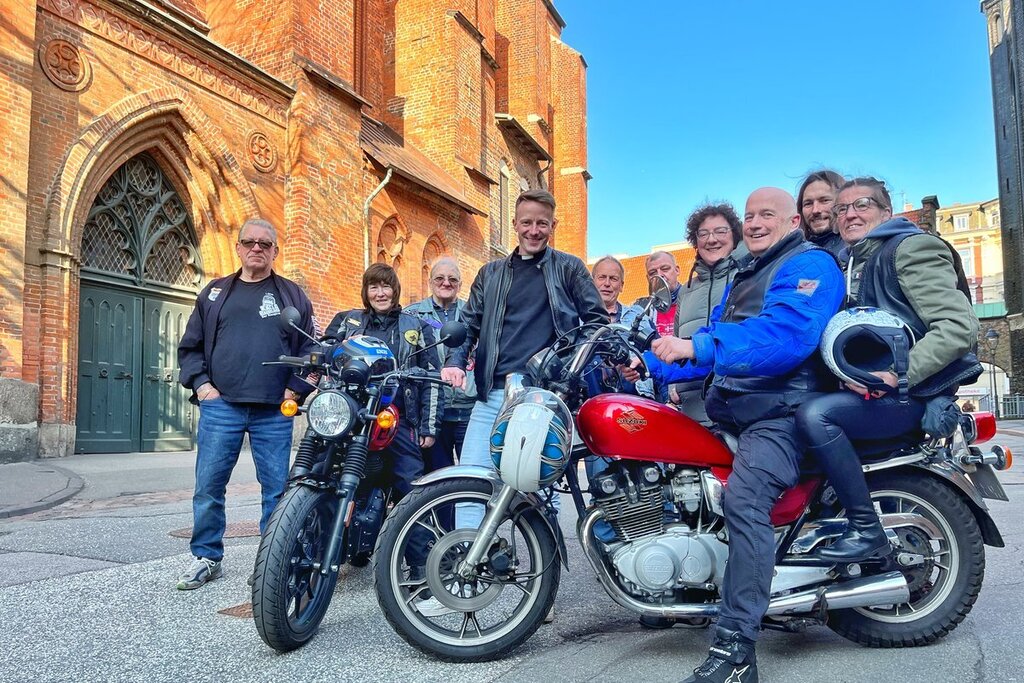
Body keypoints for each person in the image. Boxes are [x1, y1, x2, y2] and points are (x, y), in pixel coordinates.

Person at [646, 188, 845, 682]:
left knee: (744, 501)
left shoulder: (808, 265)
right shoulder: (751, 274)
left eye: (766, 216)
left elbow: (785, 337)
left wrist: (696, 344)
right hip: (741, 410)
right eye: (751, 215)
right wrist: (645, 361)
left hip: (780, 415)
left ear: (793, 220)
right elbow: (710, 353)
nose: (755, 223)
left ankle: (736, 651)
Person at [794, 177, 980, 563]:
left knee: (817, 417)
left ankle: (866, 529)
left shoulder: (908, 248)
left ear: (886, 212)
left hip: (911, 393)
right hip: (876, 388)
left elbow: (957, 327)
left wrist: (899, 373)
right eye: (841, 209)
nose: (849, 214)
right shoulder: (854, 260)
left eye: (861, 205)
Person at [443, 188, 607, 531]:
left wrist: (559, 361)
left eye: (542, 224)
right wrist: (456, 360)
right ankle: (464, 571)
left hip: (542, 397)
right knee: (469, 485)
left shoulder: (569, 268)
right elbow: (470, 323)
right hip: (492, 396)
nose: (534, 230)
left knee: (536, 493)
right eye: (528, 222)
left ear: (553, 226)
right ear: (514, 224)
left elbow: (596, 323)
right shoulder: (490, 274)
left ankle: (540, 571)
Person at [176, 218, 316, 590]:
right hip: (222, 407)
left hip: (274, 410)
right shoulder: (214, 293)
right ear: (238, 248)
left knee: (276, 491)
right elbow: (189, 347)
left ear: (275, 251)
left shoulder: (292, 296)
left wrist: (296, 390)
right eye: (250, 242)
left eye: (265, 244)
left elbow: (310, 349)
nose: (257, 248)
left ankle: (274, 562)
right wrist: (203, 387)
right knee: (208, 485)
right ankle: (206, 557)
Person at [324, 263, 442, 502]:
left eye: (385, 287)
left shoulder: (417, 325)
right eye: (373, 287)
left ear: (395, 290)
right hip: (353, 412)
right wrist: (342, 347)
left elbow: (432, 376)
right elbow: (321, 350)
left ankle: (414, 538)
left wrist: (429, 426)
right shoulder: (348, 321)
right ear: (366, 292)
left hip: (399, 415)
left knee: (411, 482)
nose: (380, 294)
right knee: (325, 470)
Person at [666, 203, 746, 420]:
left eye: (721, 231)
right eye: (704, 233)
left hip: (735, 407)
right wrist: (673, 384)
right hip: (691, 408)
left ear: (735, 236)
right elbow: (677, 341)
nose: (712, 239)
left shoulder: (748, 278)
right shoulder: (686, 290)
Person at [405, 256, 477, 472]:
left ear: (460, 284)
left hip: (470, 410)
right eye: (440, 278)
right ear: (430, 281)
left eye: (453, 279)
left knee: (473, 476)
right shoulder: (413, 314)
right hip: (434, 413)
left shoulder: (473, 314)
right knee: (438, 477)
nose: (446, 283)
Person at [796, 169, 846, 257]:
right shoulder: (795, 252)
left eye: (825, 200)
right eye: (808, 203)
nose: (815, 210)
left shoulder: (855, 248)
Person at [635, 251, 682, 336]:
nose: (660, 275)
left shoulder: (693, 299)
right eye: (653, 273)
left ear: (677, 270)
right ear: (648, 278)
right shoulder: (641, 309)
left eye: (665, 269)